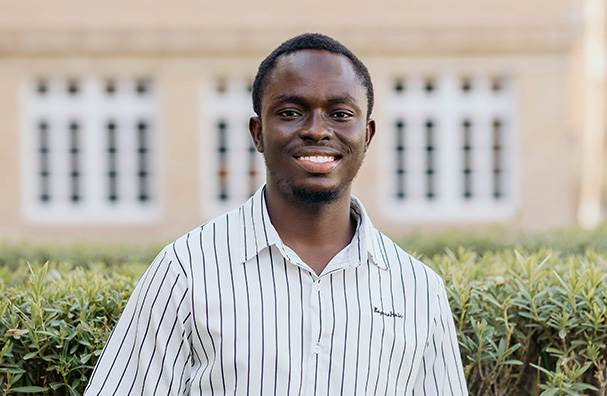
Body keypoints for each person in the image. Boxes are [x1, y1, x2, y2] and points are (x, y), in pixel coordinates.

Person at [85, 33, 468, 396]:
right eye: (290, 111)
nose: (317, 131)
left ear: (366, 135)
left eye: (339, 113)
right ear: (258, 132)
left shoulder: (419, 289)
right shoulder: (185, 271)